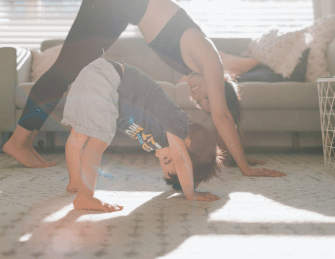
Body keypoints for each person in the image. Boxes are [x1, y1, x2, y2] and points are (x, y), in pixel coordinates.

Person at [2, 0, 279, 176]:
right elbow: (223, 115)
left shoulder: (198, 65)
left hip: (117, 1)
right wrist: (245, 168)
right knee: (64, 71)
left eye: (199, 103)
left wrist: (234, 154)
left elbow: (221, 119)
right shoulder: (210, 58)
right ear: (219, 85)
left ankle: (23, 140)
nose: (196, 97)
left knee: (67, 71)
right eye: (206, 97)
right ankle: (18, 141)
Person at [62, 57, 223, 212]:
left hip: (91, 74)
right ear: (186, 143)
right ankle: (85, 196)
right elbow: (181, 159)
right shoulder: (177, 122)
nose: (158, 155)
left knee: (79, 136)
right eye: (167, 158)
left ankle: (75, 183)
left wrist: (182, 183)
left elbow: (180, 159)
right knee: (98, 142)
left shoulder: (158, 137)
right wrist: (191, 194)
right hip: (108, 79)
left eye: (162, 161)